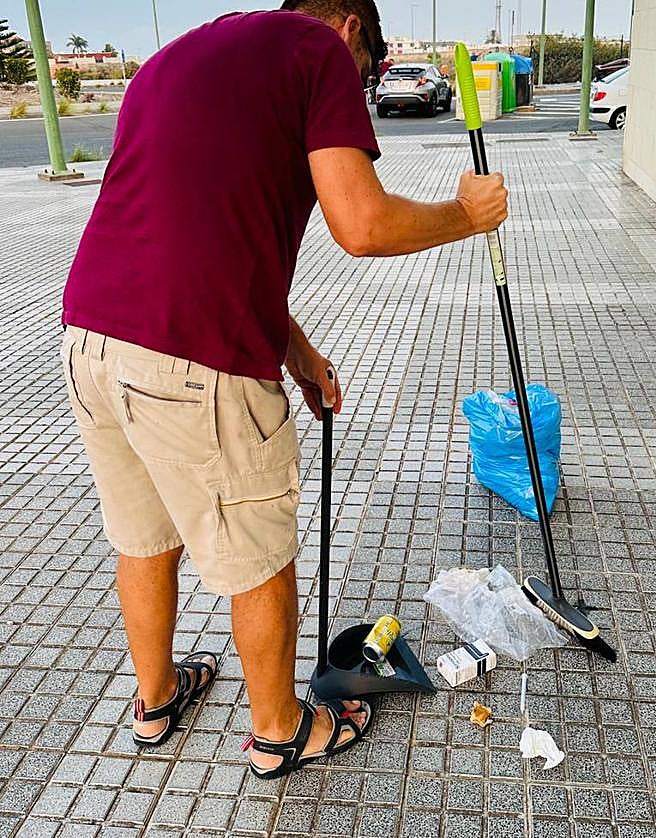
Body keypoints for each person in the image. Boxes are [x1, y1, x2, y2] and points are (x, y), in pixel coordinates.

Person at [60, 0, 507, 780]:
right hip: (193, 365)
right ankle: (280, 732)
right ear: (347, 28)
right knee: (261, 552)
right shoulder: (318, 49)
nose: (361, 82)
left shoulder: (178, 58)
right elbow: (361, 225)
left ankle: (156, 700)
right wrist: (465, 218)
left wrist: (296, 352)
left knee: (144, 534)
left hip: (89, 339)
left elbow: (207, 236)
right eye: (368, 67)